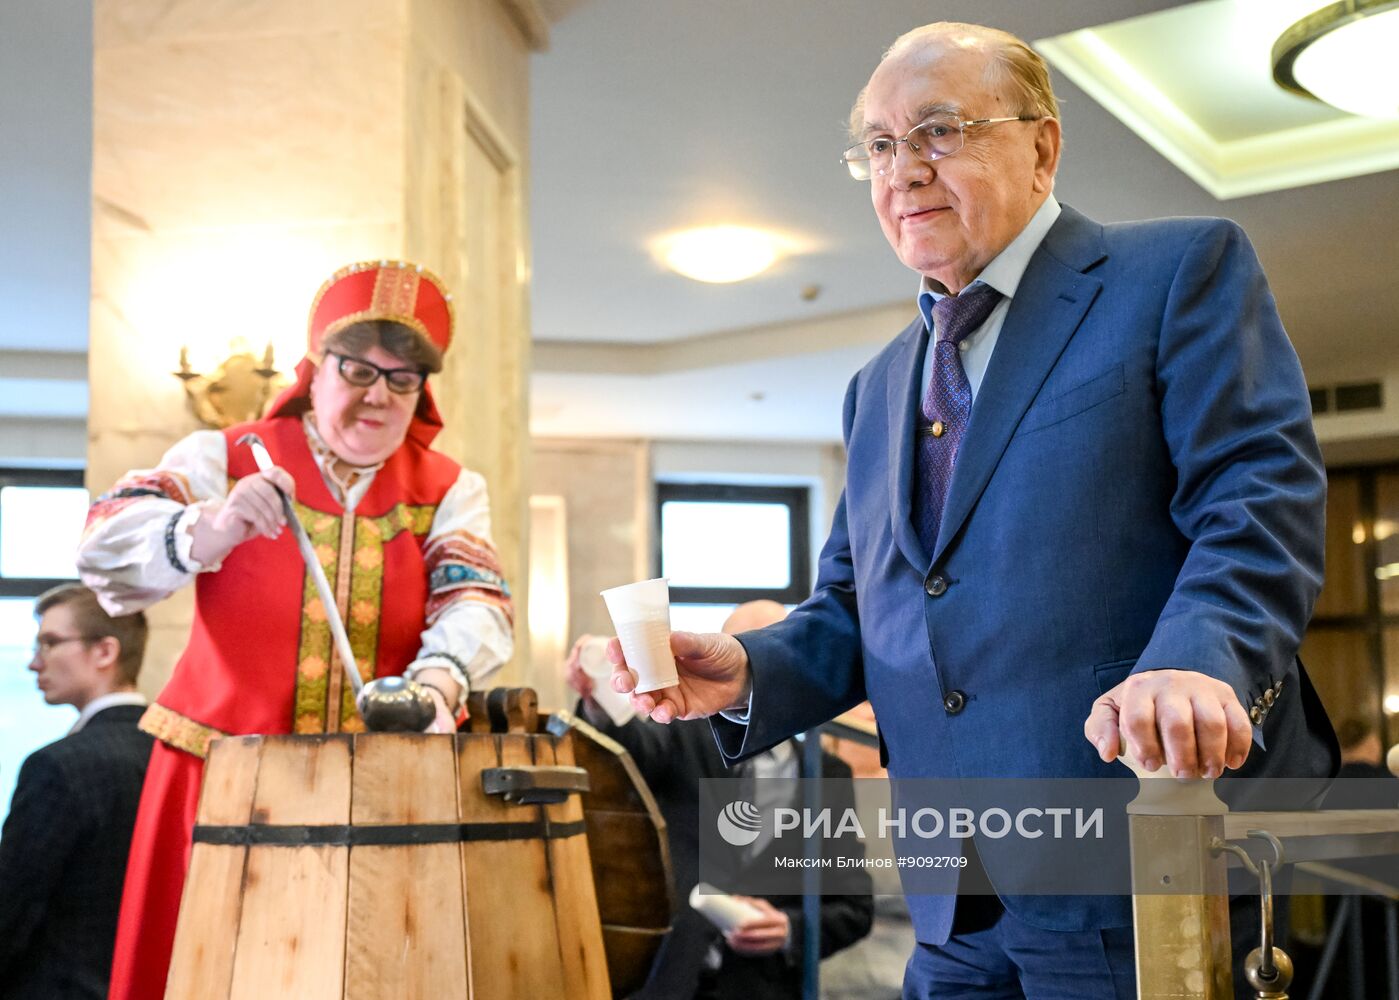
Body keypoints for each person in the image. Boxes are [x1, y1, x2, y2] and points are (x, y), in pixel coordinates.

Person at [614, 22, 1338, 1000]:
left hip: (1135, 856)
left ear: (1042, 145)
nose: (902, 169)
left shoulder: (1174, 273)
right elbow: (857, 609)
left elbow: (1254, 496)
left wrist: (1193, 660)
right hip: (953, 891)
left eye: (938, 130)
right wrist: (748, 669)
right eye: (878, 145)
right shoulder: (876, 388)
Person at [78, 260, 514, 1000]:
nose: (378, 394)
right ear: (314, 370)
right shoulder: (224, 456)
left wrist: (436, 684)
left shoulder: (449, 488)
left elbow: (476, 600)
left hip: (381, 792)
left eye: (402, 378)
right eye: (357, 370)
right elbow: (102, 546)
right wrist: (211, 527)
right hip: (217, 777)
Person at [567, 601, 872, 999]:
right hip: (667, 979)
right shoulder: (681, 733)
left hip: (762, 988)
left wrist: (789, 929)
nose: (762, 673)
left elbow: (853, 907)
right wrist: (598, 702)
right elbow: (627, 750)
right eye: (749, 654)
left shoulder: (827, 773)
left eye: (777, 657)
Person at [0, 584, 152, 999]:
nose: (34, 662)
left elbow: (12, 903)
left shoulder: (58, 766)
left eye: (50, 643)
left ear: (105, 652)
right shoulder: (177, 755)